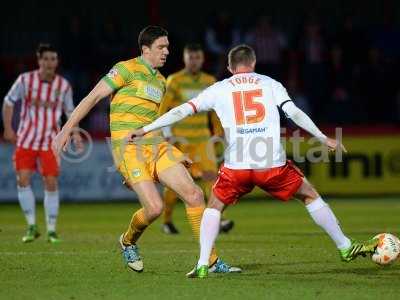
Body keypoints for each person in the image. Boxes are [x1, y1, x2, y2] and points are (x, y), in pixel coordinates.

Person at [128, 44, 379, 278]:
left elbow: (180, 110)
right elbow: (293, 113)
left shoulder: (219, 88)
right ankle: (345, 247)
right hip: (271, 164)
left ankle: (204, 263)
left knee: (214, 206)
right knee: (310, 195)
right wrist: (323, 137)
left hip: (236, 167)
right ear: (254, 63)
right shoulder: (270, 83)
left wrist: (147, 128)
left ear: (229, 67)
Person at [52, 26, 240, 274]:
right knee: (155, 208)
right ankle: (128, 241)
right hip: (129, 148)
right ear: (145, 49)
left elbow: (153, 121)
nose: (167, 51)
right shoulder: (125, 69)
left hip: (157, 146)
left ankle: (212, 261)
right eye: (161, 47)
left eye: (168, 46)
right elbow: (92, 97)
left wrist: (173, 149)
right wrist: (66, 129)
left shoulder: (161, 81)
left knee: (194, 195)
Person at [2, 43, 83, 243]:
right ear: (39, 61)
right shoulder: (25, 80)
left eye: (53, 59)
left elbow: (71, 112)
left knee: (51, 182)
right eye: (45, 59)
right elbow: (8, 102)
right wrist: (8, 128)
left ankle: (52, 230)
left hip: (51, 141)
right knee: (23, 179)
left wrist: (76, 133)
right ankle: (31, 226)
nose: (49, 63)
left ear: (57, 62)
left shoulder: (63, 85)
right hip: (27, 138)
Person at [158, 43, 234, 234]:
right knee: (175, 185)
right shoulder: (174, 80)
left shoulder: (209, 81)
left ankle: (218, 218)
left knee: (212, 180)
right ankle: (167, 220)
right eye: (191, 58)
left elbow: (215, 110)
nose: (194, 61)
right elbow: (163, 109)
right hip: (179, 142)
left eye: (197, 58)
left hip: (203, 140)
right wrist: (166, 135)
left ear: (202, 59)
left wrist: (219, 130)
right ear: (184, 59)